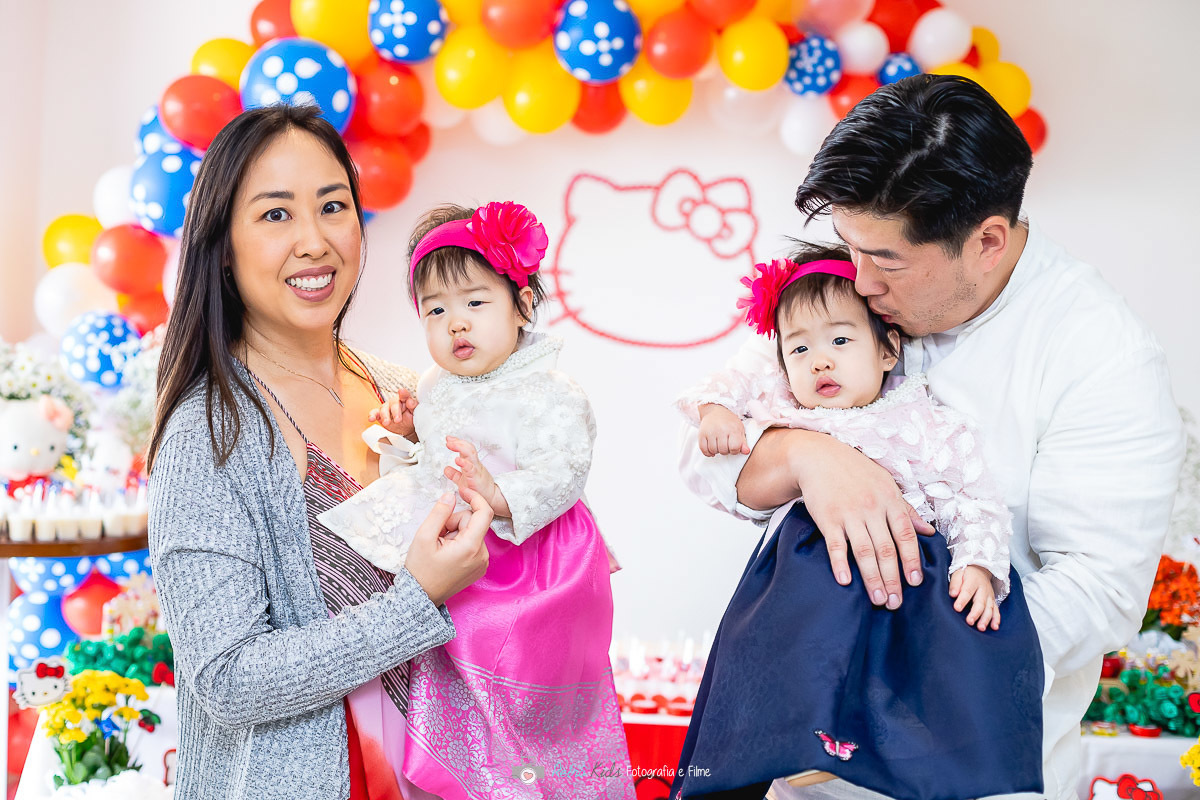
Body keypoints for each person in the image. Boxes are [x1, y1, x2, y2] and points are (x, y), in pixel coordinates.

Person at [678, 74, 1185, 799]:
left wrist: (882, 675)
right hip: (801, 767)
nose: (858, 281)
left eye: (884, 262)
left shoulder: (1100, 352)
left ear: (986, 241)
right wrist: (806, 455)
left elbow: (1096, 588)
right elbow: (702, 457)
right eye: (849, 248)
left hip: (971, 764)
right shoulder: (850, 288)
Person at [147, 105, 492, 800]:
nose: (314, 241)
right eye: (276, 215)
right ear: (222, 246)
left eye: (332, 206)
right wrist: (415, 601)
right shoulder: (209, 434)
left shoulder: (408, 392)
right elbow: (226, 680)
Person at [670, 246, 1043, 799]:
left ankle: (857, 749)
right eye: (800, 349)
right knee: (785, 646)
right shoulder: (788, 408)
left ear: (888, 349)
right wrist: (717, 412)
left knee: (909, 656)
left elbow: (972, 496)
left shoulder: (920, 419)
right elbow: (727, 385)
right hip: (806, 571)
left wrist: (980, 563)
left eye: (841, 342)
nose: (819, 360)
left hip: (901, 565)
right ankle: (789, 744)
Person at [317, 202, 634, 799]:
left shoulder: (549, 388)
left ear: (522, 305)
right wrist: (408, 436)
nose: (455, 323)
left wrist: (502, 493)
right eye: (436, 310)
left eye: (474, 302)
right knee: (450, 659)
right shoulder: (433, 386)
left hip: (538, 560)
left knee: (522, 674)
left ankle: (536, 770)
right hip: (470, 549)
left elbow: (566, 467)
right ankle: (479, 770)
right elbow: (434, 465)